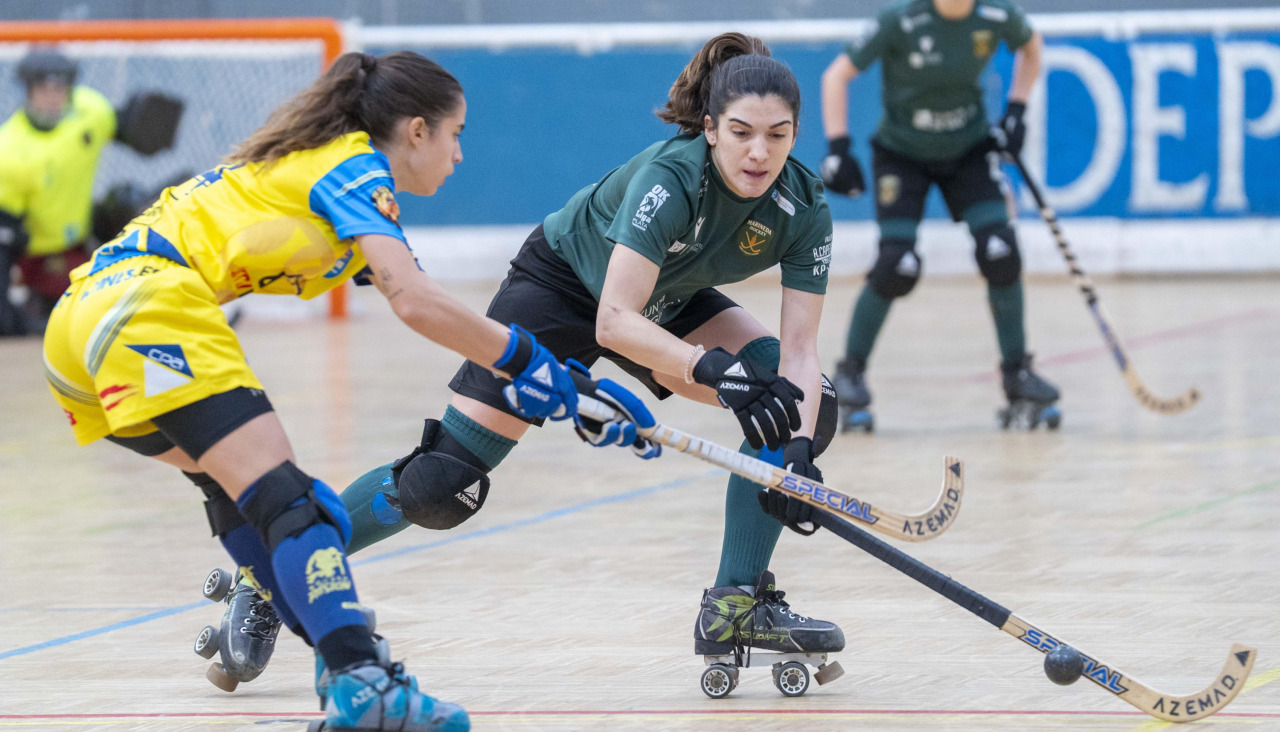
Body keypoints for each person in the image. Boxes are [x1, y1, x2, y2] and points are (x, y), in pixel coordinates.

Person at [217, 32, 847, 699]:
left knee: (803, 403)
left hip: (667, 297)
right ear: (712, 129)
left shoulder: (805, 208)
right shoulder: (671, 179)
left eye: (778, 135)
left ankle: (736, 602)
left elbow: (801, 355)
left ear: (797, 134)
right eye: (743, 132)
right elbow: (614, 323)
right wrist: (713, 370)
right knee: (442, 482)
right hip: (565, 287)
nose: (759, 152)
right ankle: (271, 576)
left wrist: (797, 454)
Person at [41, 50, 623, 732]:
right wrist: (534, 362)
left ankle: (348, 663)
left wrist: (550, 379)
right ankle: (363, 683)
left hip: (76, 335)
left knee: (258, 500)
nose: (459, 155)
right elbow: (419, 302)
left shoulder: (327, 182)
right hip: (144, 305)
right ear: (415, 131)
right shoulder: (353, 166)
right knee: (298, 510)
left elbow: (423, 302)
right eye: (455, 134)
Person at [819, 0, 1060, 431]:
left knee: (1001, 253)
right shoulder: (901, 20)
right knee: (897, 265)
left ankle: (1018, 373)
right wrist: (838, 148)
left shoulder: (995, 15)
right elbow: (836, 75)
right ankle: (849, 372)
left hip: (968, 150)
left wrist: (1017, 113)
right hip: (901, 155)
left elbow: (1033, 46)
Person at [0, 48, 182, 336]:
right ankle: (40, 304)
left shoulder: (89, 112)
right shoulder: (10, 151)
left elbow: (133, 131)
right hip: (44, 253)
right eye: (43, 89)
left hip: (86, 232)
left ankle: (175, 300)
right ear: (28, 91)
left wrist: (151, 125)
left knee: (137, 203)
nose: (52, 97)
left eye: (59, 88)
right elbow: (4, 240)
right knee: (85, 306)